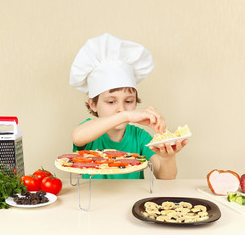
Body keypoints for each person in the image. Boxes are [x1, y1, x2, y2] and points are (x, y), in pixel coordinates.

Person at [69, 33, 188, 179]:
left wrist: (168, 157)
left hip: (132, 201)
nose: (121, 108)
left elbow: (165, 177)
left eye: (128, 101)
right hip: (94, 200)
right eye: (111, 102)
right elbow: (77, 137)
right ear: (92, 104)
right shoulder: (90, 133)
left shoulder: (140, 137)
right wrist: (125, 115)